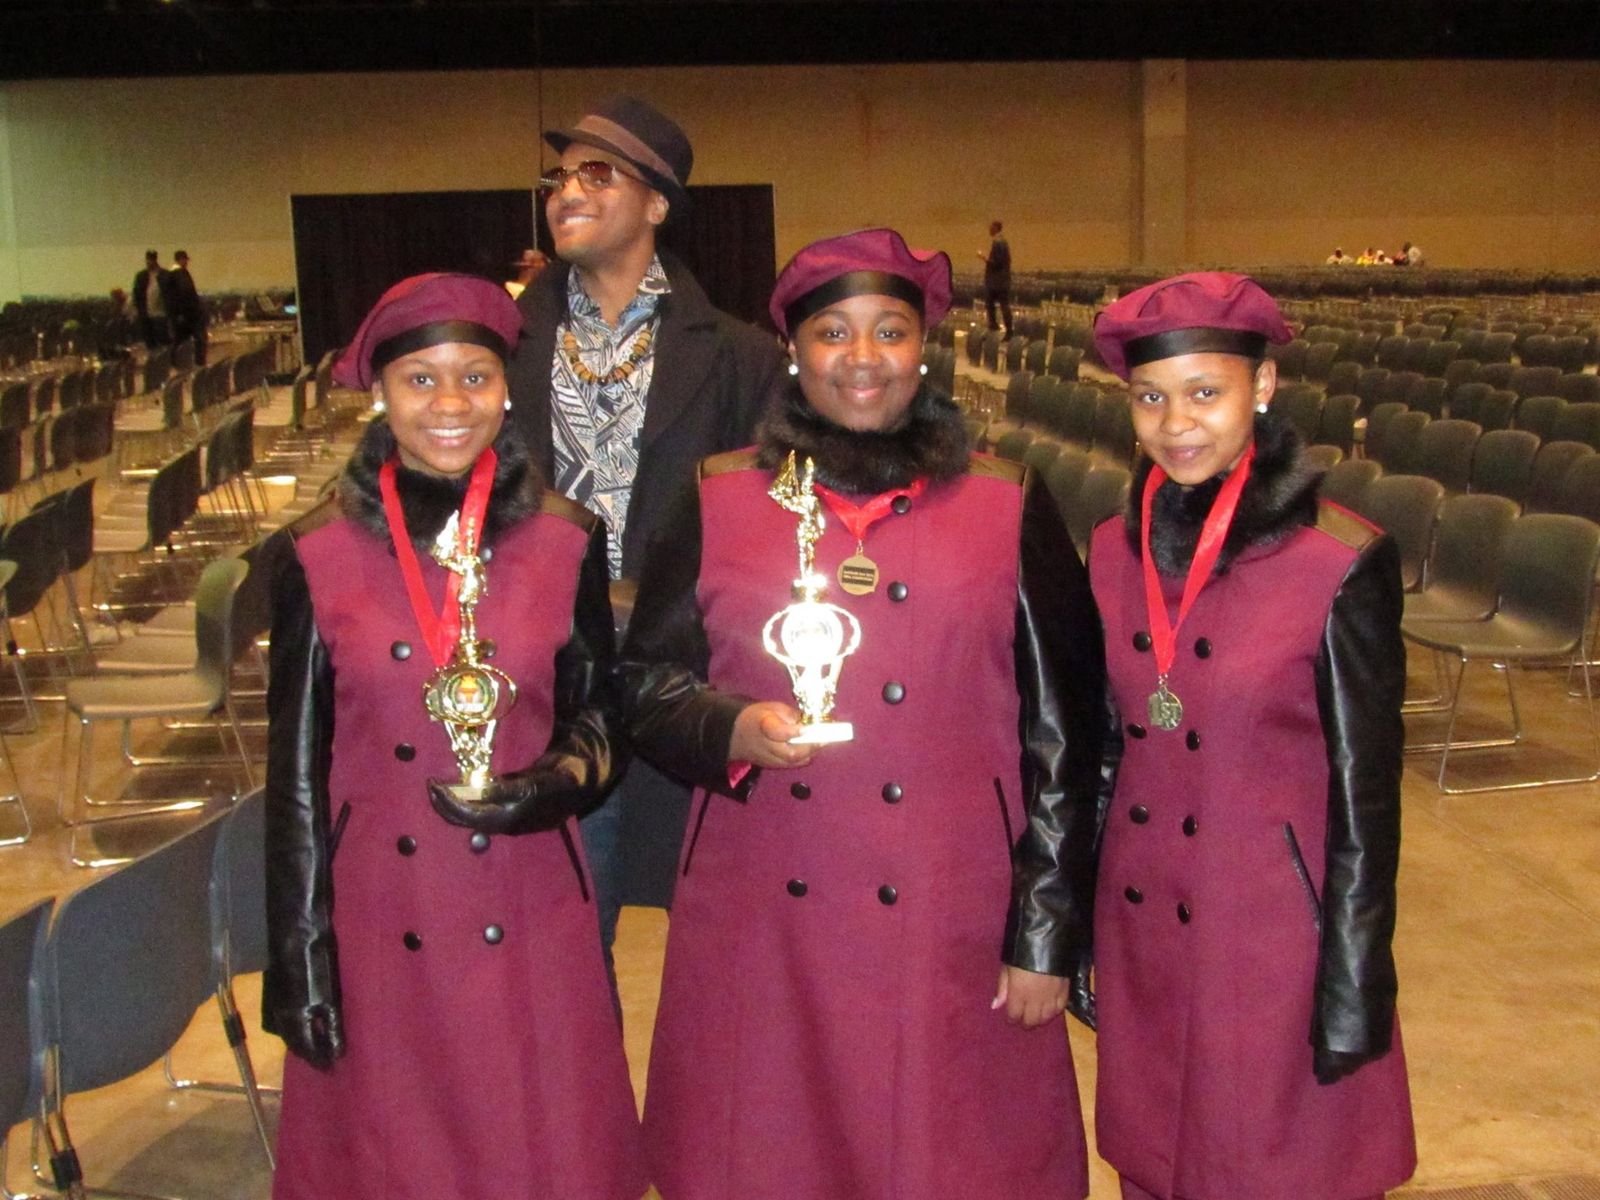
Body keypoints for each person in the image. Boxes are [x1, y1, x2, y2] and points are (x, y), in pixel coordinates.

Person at [620, 228, 1108, 1199]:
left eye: (889, 330)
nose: (862, 357)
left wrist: (1044, 931)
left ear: (922, 349)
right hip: (763, 905)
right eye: (833, 331)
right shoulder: (718, 495)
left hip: (950, 907)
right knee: (772, 1158)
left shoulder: (1006, 500)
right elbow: (642, 683)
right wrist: (726, 728)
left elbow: (1066, 730)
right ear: (793, 350)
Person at [263, 272, 645, 1200]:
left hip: (529, 893)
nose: (449, 404)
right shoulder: (314, 550)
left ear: (506, 389)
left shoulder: (566, 536)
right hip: (381, 907)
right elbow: (295, 775)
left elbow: (601, 714)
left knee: (535, 1142)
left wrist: (556, 782)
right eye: (420, 380)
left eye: (474, 377)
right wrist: (300, 959)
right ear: (381, 394)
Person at [1086, 271, 1416, 1200]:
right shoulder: (1111, 548)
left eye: (1205, 392)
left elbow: (1366, 799)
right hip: (1144, 927)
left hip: (1274, 945)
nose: (1177, 424)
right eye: (1151, 398)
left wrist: (1355, 983)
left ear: (1262, 387)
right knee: (1156, 1168)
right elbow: (1104, 749)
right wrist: (1075, 929)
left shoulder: (1338, 560)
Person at [505, 95, 785, 971]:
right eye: (558, 178)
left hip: (685, 681)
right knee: (560, 949)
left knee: (716, 958)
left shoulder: (741, 357)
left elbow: (769, 532)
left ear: (658, 202)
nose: (566, 192)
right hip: (545, 686)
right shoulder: (499, 347)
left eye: (598, 174)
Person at [169, 249, 209, 364]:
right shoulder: (180, 274)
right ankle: (199, 363)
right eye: (185, 259)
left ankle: (177, 362)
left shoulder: (173, 274)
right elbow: (185, 294)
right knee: (198, 339)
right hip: (188, 314)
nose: (186, 262)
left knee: (180, 340)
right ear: (180, 260)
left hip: (182, 314)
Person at [977, 218, 1012, 338]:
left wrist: (984, 257)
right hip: (1002, 281)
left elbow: (996, 263)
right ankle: (1003, 329)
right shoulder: (1002, 242)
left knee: (995, 305)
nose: (989, 230)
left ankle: (998, 328)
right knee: (1001, 305)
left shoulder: (998, 242)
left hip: (997, 282)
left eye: (991, 228)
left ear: (996, 228)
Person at [131, 249, 172, 347]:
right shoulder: (141, 276)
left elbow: (171, 294)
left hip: (161, 313)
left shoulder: (165, 275)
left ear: (155, 260)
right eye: (148, 259)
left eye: (151, 259)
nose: (149, 262)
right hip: (146, 314)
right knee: (150, 342)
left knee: (163, 340)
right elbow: (136, 294)